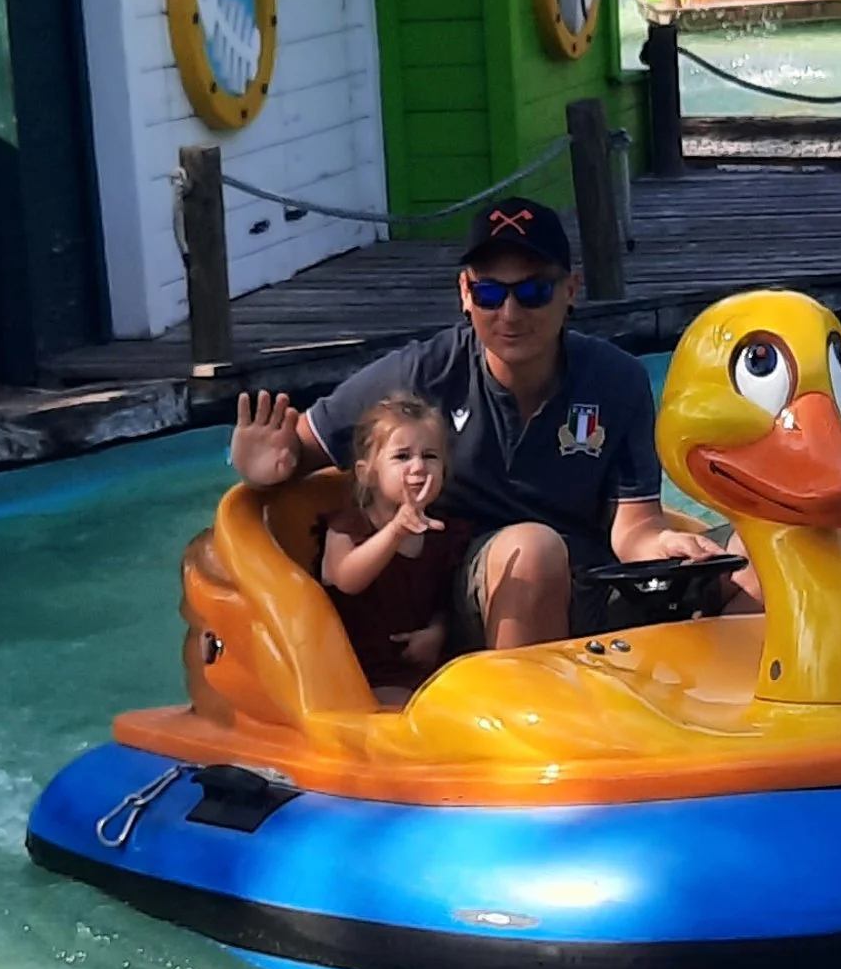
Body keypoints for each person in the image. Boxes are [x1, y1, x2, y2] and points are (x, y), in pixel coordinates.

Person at [228, 195, 743, 652]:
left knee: (766, 548)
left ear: (570, 290)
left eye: (534, 292)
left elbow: (636, 527)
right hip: (476, 598)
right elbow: (297, 447)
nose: (511, 313)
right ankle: (519, 738)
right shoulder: (423, 373)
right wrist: (261, 464)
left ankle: (760, 737)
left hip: (595, 580)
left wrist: (665, 548)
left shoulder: (619, 380)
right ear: (465, 294)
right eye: (491, 295)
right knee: (534, 549)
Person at [316, 390, 468, 699]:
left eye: (430, 456)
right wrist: (396, 530)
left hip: (430, 676)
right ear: (368, 474)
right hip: (365, 679)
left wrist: (438, 632)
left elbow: (445, 601)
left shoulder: (445, 532)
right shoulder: (347, 527)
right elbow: (345, 578)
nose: (418, 467)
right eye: (402, 456)